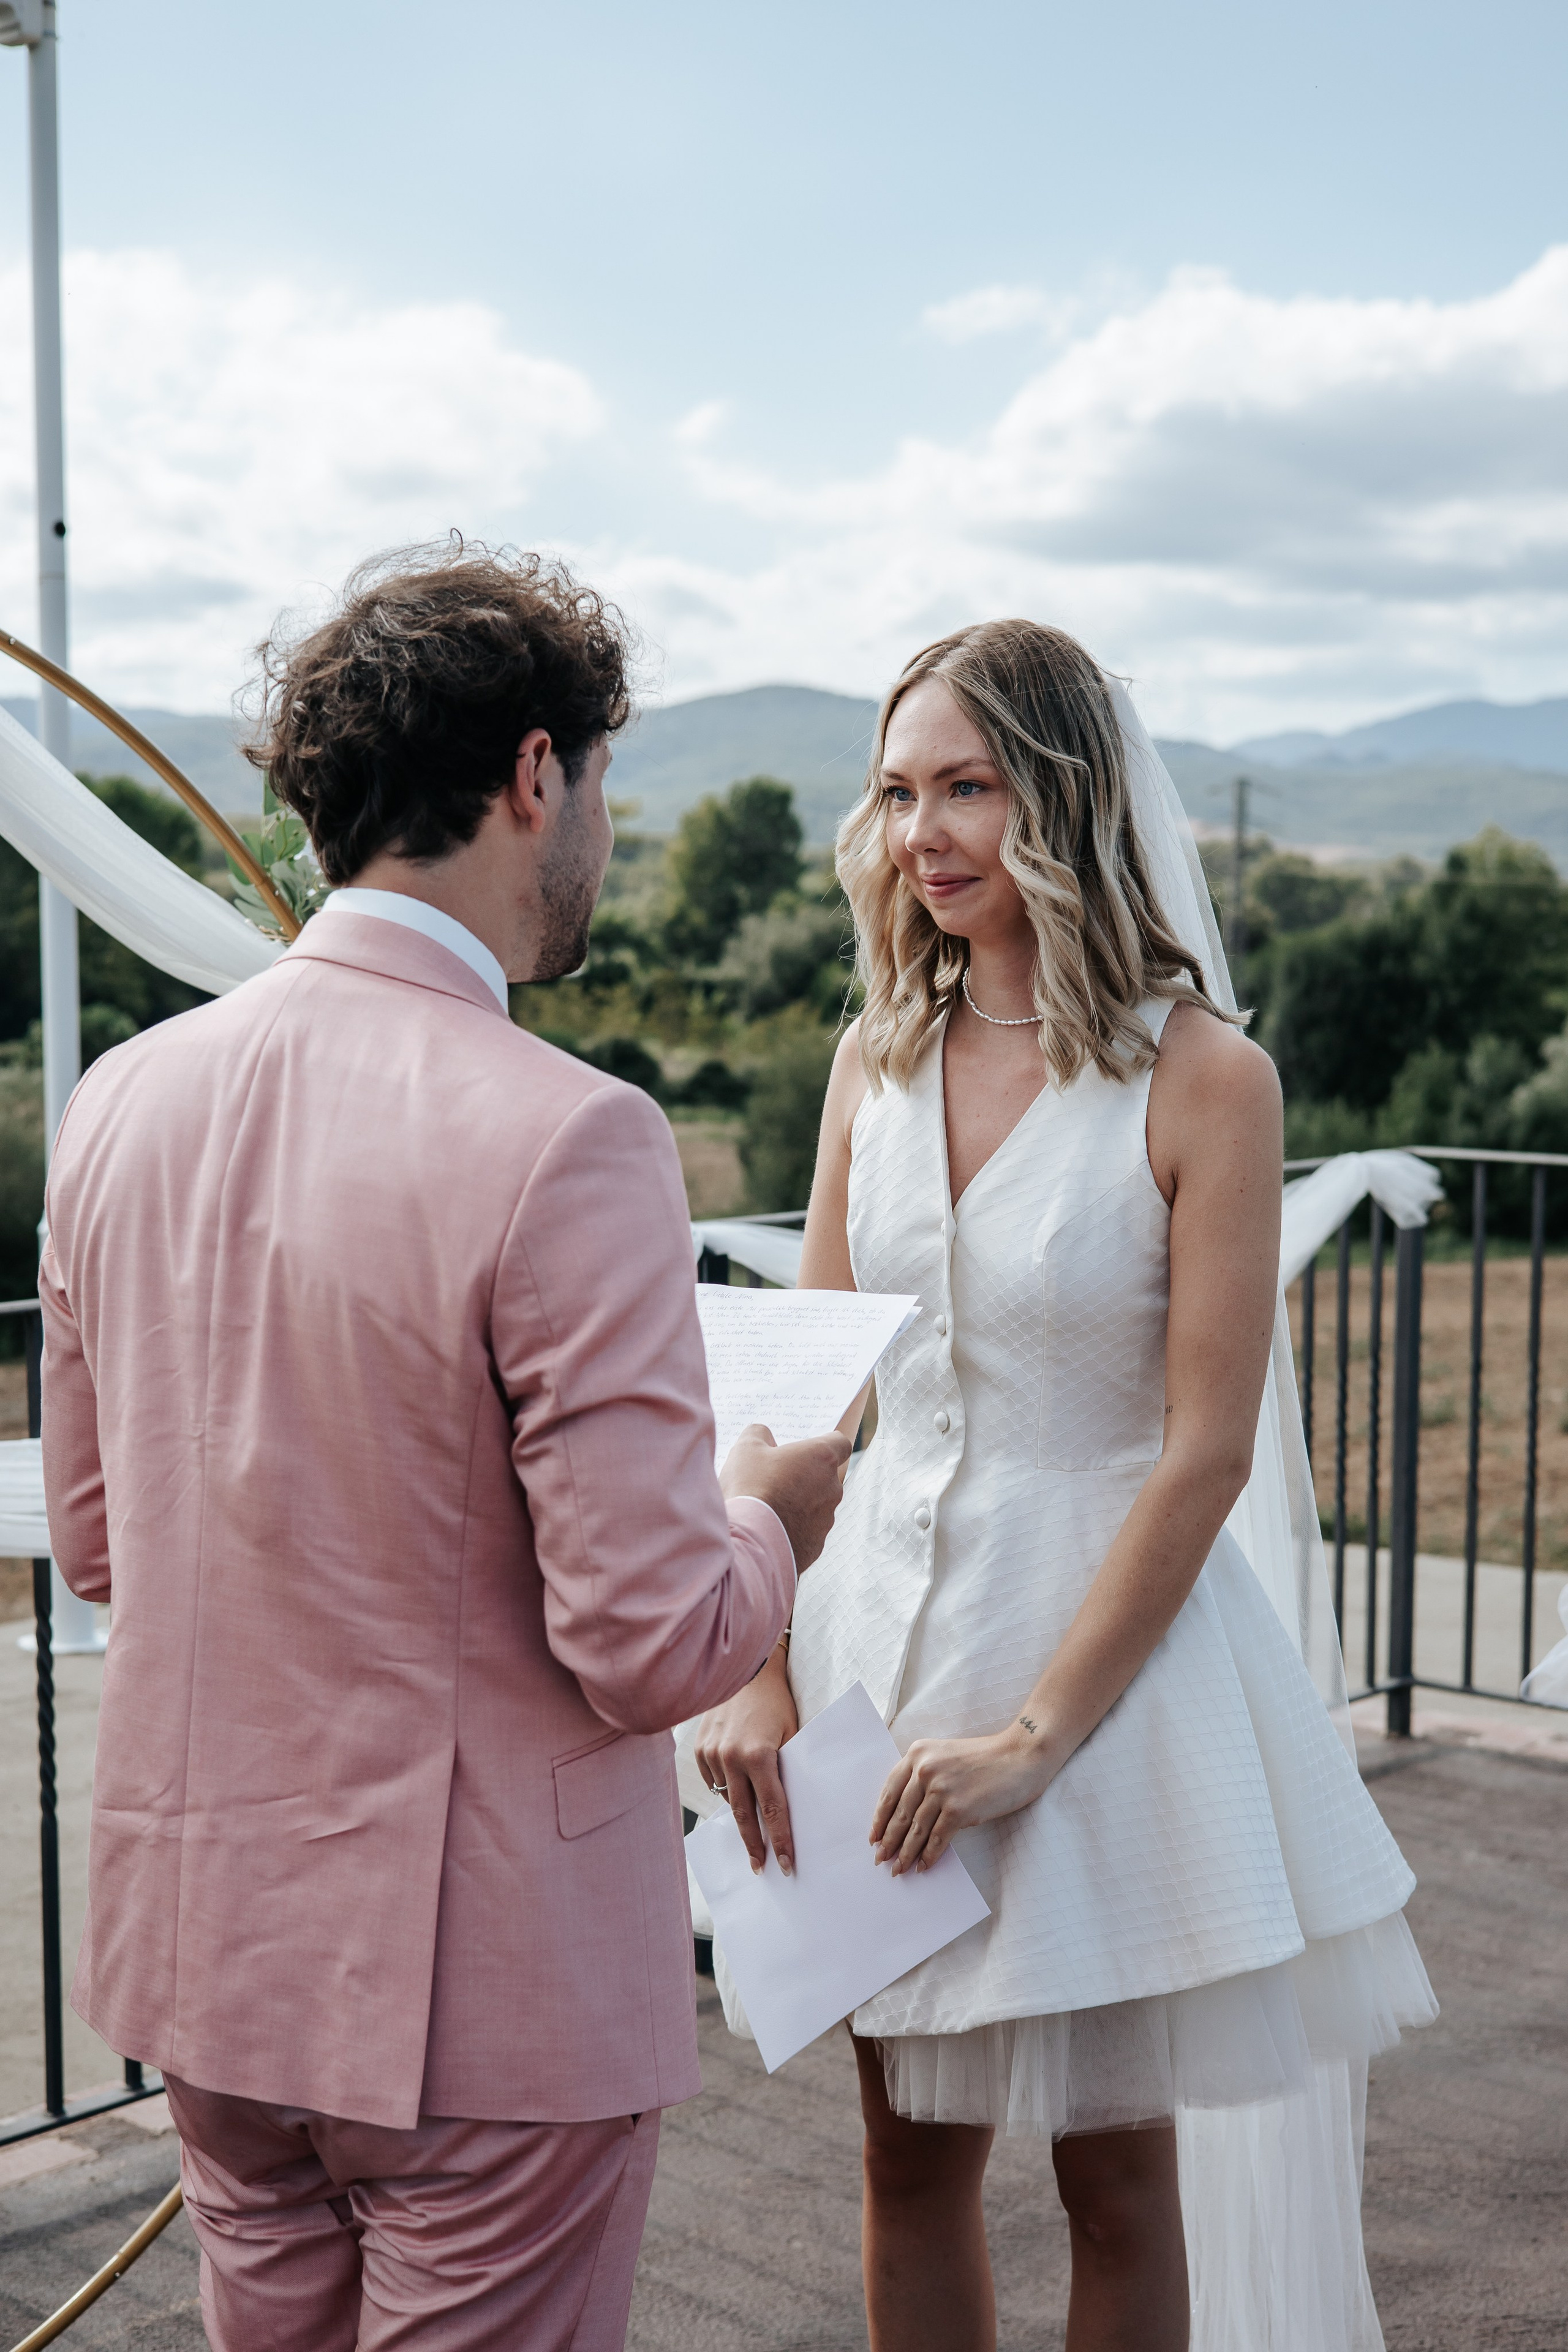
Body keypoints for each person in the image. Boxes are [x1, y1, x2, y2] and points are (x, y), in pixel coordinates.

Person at [39, 541, 849, 2352]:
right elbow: (649, 1639)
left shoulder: (117, 1105)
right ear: (536, 774)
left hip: (214, 1966)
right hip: (482, 1998)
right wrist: (776, 1522)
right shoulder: (575, 1137)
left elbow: (99, 1543)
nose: (602, 835)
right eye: (603, 785)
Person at [690, 621, 1436, 2352]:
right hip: (874, 1661)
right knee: (904, 2162)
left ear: (1066, 797)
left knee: (1116, 2186)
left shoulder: (1205, 1080)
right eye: (898, 793)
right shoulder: (869, 1064)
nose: (925, 832)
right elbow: (809, 1391)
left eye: (969, 786)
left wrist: (1036, 1736)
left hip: (1107, 1686)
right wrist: (755, 1666)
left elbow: (1205, 1449)